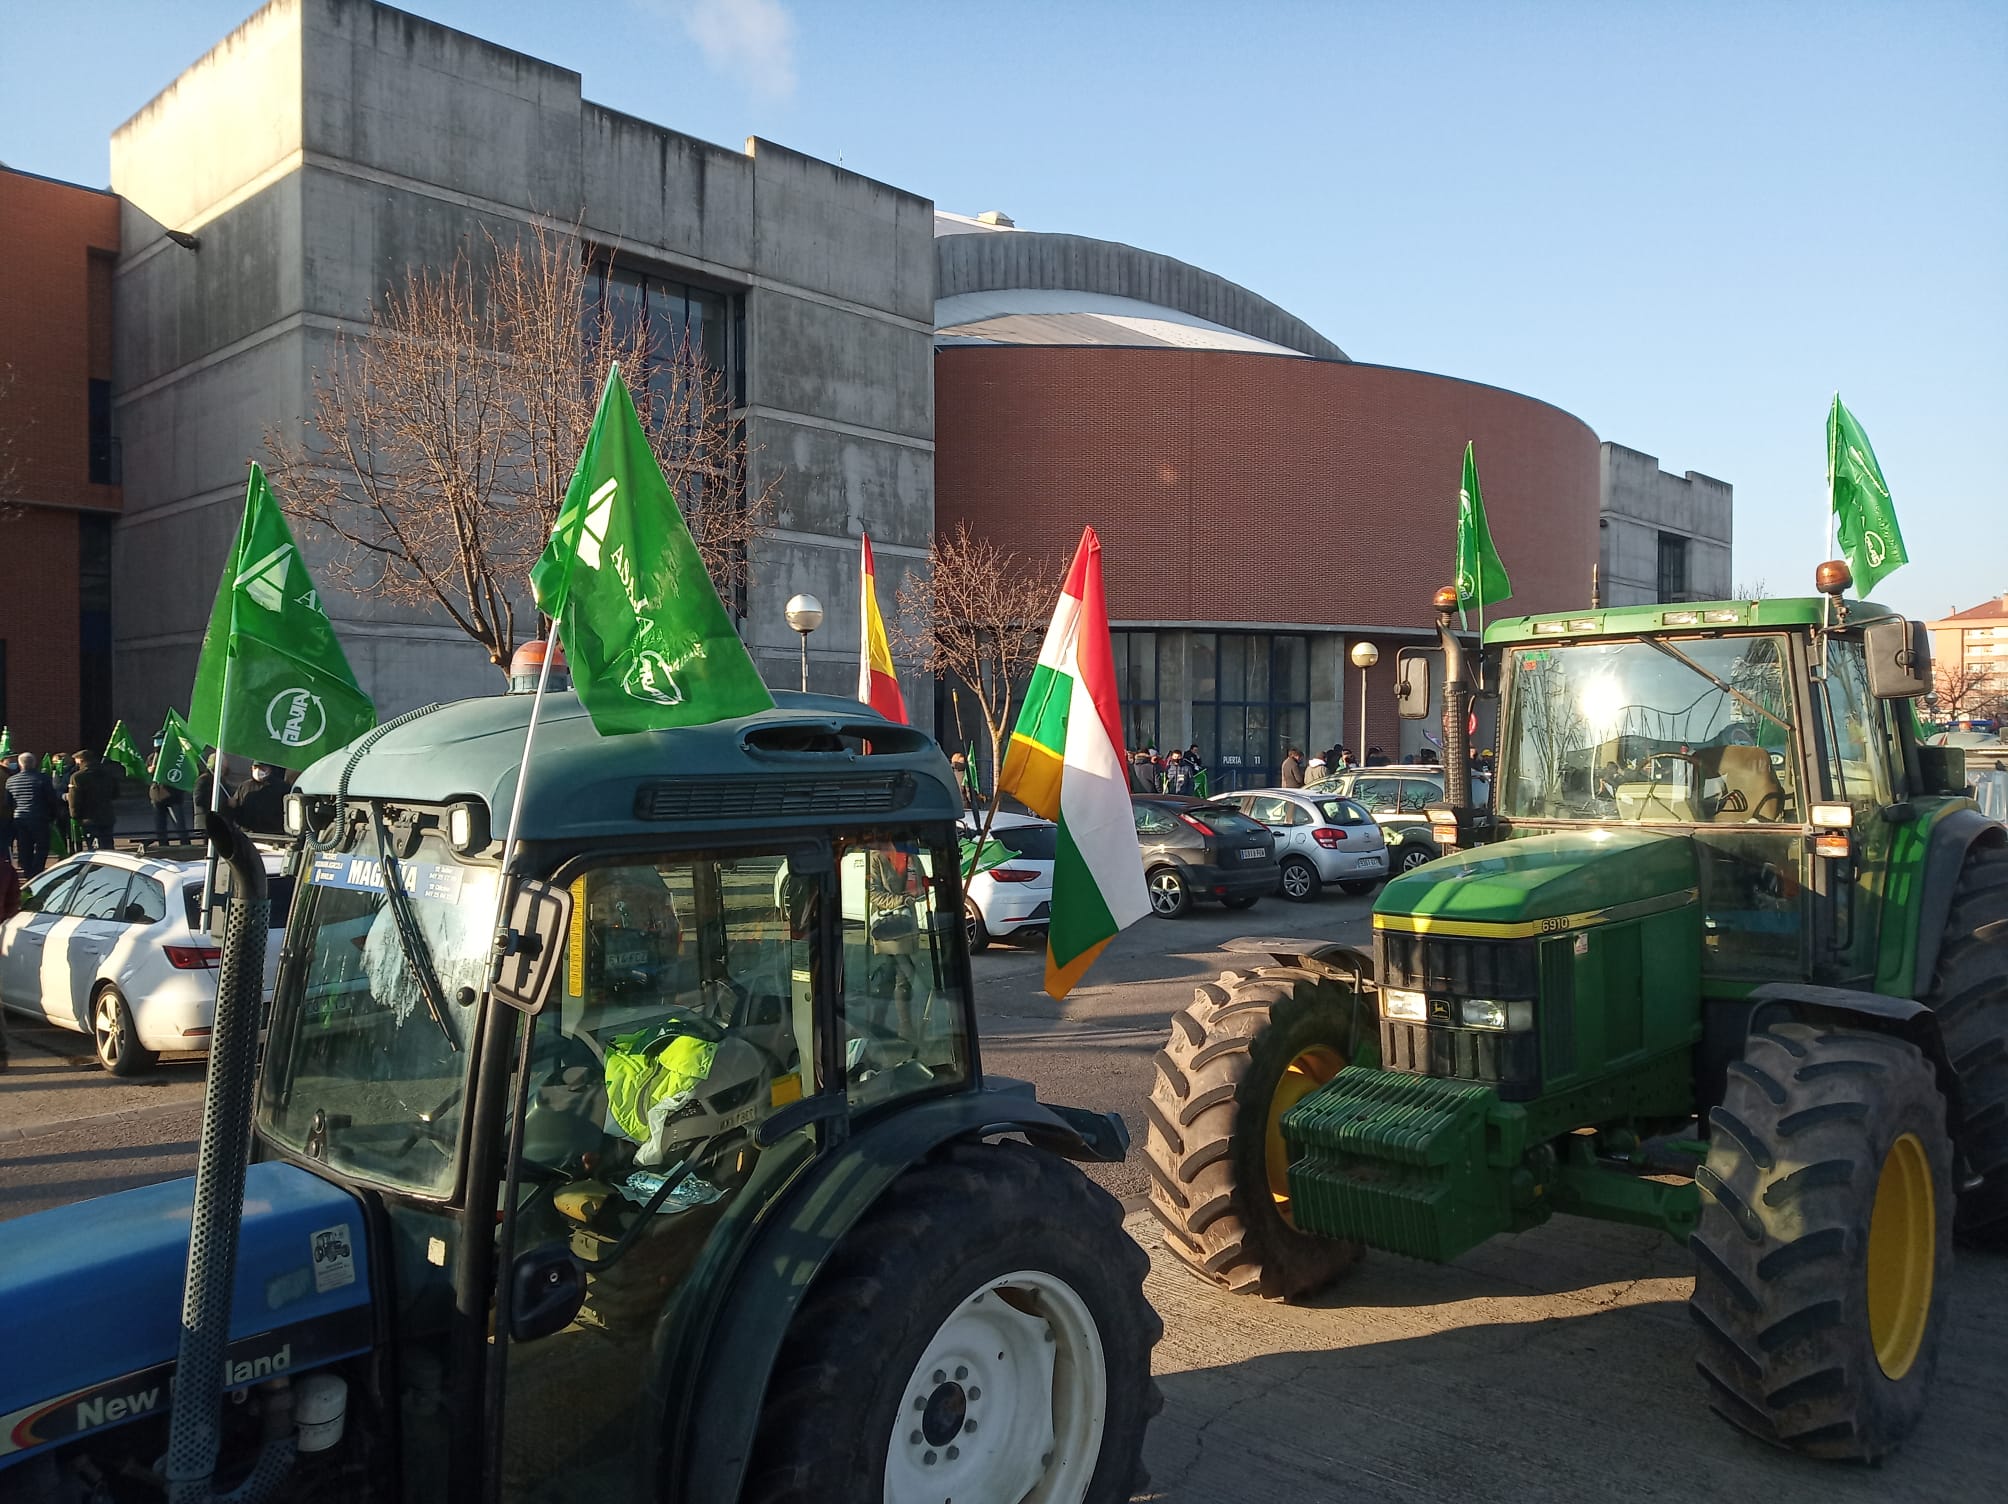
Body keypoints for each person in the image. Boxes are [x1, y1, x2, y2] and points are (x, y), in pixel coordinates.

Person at [6, 753, 60, 877]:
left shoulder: (11, 780)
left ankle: (27, 871)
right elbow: (51, 799)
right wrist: (53, 815)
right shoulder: (42, 778)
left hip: (20, 817)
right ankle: (37, 872)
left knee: (24, 846)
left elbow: (8, 803)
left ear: (20, 764)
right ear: (34, 763)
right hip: (39, 817)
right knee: (42, 846)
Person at [67, 748, 119, 851]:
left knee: (94, 848)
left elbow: (74, 799)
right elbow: (116, 794)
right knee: (108, 845)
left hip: (88, 818)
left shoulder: (77, 777)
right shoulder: (107, 774)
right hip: (107, 815)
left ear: (81, 761)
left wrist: (75, 816)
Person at [228, 762, 293, 835]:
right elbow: (237, 809)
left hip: (273, 834)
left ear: (269, 769)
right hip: (248, 834)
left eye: (262, 768)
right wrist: (233, 806)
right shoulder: (244, 786)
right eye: (255, 768)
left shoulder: (281, 787)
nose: (258, 770)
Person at [148, 752, 191, 846]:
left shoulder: (174, 755)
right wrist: (151, 769)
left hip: (173, 796)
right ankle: (163, 845)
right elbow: (148, 771)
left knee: (179, 824)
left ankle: (185, 845)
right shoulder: (153, 757)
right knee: (160, 826)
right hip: (158, 796)